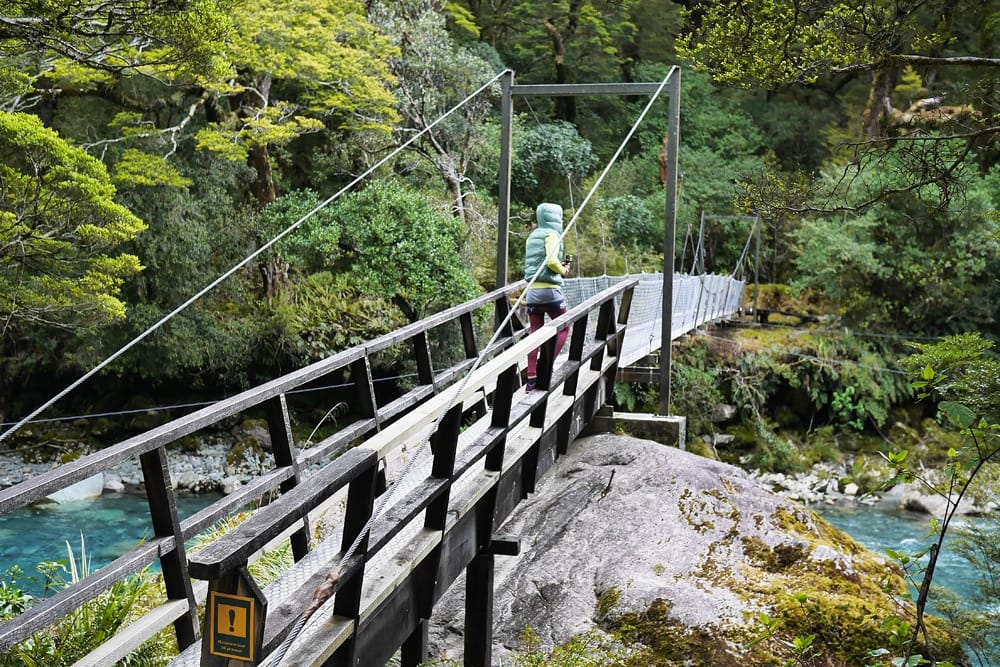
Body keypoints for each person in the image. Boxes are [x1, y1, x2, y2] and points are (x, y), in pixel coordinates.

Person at [523, 202, 572, 392]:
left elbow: (537, 261)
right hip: (550, 291)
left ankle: (531, 380)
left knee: (535, 333)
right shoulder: (552, 235)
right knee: (565, 327)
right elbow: (551, 261)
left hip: (533, 292)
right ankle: (547, 365)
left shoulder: (532, 236)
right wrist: (563, 270)